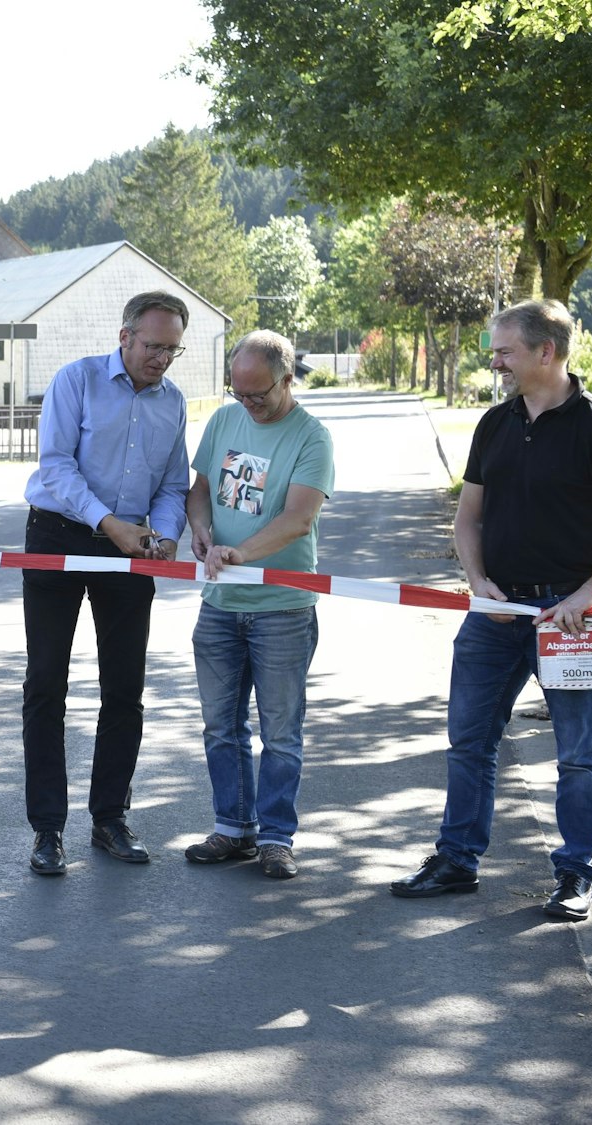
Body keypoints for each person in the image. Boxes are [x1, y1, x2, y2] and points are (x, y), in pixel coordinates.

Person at [392, 300, 592, 920]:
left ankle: (575, 875)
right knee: (468, 742)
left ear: (545, 352)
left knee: (578, 753)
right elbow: (468, 519)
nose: (493, 361)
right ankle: (456, 860)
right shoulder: (495, 424)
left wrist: (586, 594)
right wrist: (479, 582)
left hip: (573, 619)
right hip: (493, 611)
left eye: (504, 351)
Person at [18, 291, 191, 875]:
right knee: (46, 684)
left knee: (124, 688)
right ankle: (47, 830)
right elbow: (55, 466)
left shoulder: (174, 403)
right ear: (125, 337)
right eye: (153, 346)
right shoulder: (77, 380)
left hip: (131, 547)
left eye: (172, 349)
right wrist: (109, 524)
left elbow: (172, 484)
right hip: (59, 535)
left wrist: (164, 535)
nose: (161, 359)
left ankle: (110, 818)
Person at [183, 331, 333, 880]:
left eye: (258, 395)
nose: (247, 404)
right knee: (220, 726)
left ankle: (275, 837)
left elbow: (299, 518)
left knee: (280, 730)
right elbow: (200, 489)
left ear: (287, 379)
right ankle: (232, 828)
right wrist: (200, 529)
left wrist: (240, 552)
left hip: (283, 607)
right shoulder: (225, 421)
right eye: (237, 393)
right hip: (220, 603)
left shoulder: (312, 438)